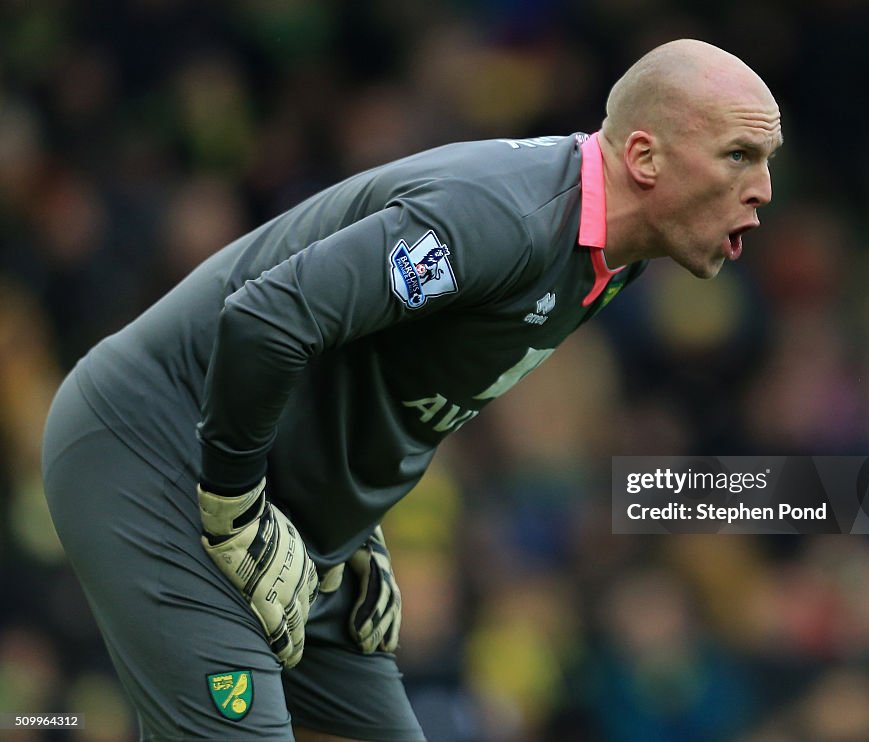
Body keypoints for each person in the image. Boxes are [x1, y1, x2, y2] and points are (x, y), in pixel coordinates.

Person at [41, 38, 782, 741]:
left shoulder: (616, 256)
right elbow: (266, 320)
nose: (764, 189)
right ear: (646, 157)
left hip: (286, 508)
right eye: (740, 156)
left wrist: (354, 524)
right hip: (152, 454)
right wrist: (233, 503)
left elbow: (394, 376)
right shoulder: (503, 219)